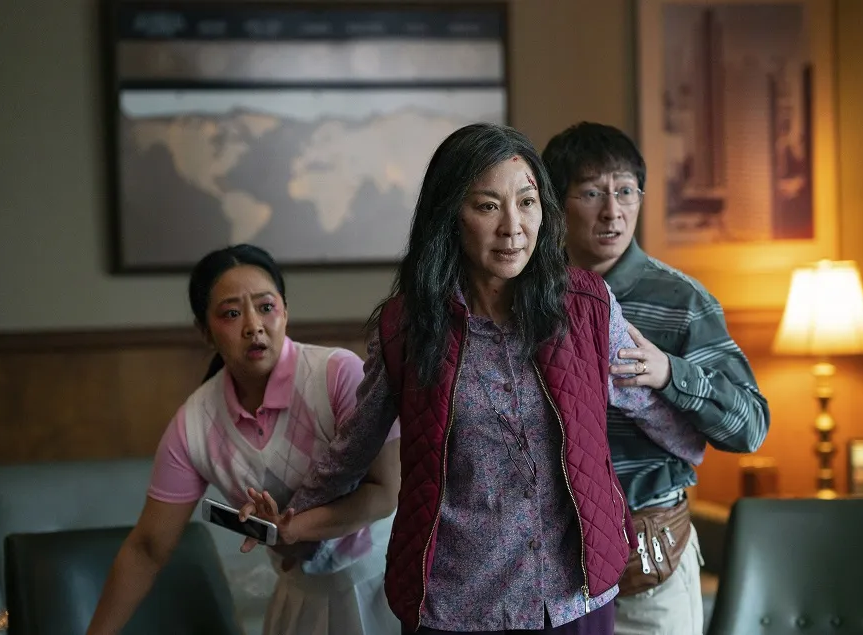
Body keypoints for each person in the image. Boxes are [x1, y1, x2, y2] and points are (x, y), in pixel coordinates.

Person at [237, 123, 708, 635]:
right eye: (488, 206)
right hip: (455, 603)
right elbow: (354, 444)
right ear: (451, 216)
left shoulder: (587, 304)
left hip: (572, 597)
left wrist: (695, 437)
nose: (513, 227)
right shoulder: (408, 327)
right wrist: (293, 516)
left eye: (526, 202)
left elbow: (642, 401)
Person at [86, 244, 401, 635]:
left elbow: (386, 492)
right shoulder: (194, 424)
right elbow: (147, 548)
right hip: (300, 600)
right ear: (205, 331)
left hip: (386, 585)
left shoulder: (337, 375)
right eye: (232, 314)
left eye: (266, 307)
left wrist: (294, 528)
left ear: (285, 311)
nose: (254, 326)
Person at [542, 122, 771, 635]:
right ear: (557, 204)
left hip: (647, 566)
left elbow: (751, 427)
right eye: (592, 193)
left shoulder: (681, 301)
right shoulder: (530, 298)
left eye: (626, 191)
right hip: (554, 568)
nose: (613, 211)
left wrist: (669, 373)